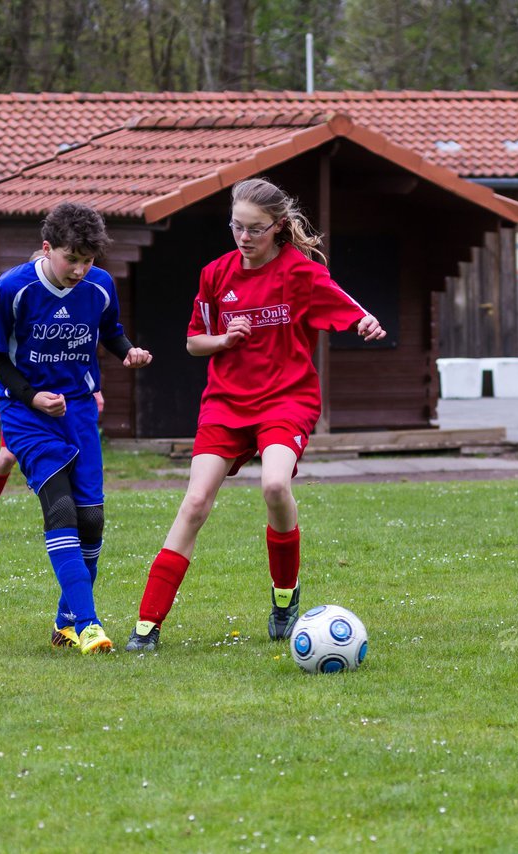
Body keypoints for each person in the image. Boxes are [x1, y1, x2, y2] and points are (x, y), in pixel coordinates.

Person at [125, 177, 386, 653]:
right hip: (226, 402)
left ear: (279, 227)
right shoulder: (215, 274)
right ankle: (147, 626)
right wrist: (224, 339)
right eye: (236, 227)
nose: (244, 238)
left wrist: (365, 321)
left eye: (255, 230)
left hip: (287, 399)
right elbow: (192, 341)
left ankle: (285, 598)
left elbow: (349, 307)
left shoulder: (300, 273)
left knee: (274, 485)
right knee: (196, 501)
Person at [0, 202, 151, 654]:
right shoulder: (12, 289)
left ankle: (64, 622)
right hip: (26, 414)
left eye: (87, 260)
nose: (78, 269)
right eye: (70, 258)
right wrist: (30, 395)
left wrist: (127, 351)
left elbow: (109, 330)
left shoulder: (100, 285)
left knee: (91, 519)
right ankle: (90, 625)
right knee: (60, 510)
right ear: (47, 248)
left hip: (78, 412)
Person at [0, 372, 103, 539]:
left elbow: (81, 352)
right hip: (21, 405)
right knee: (6, 457)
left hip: (63, 399)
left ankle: (65, 520)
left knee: (65, 456)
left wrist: (96, 391)